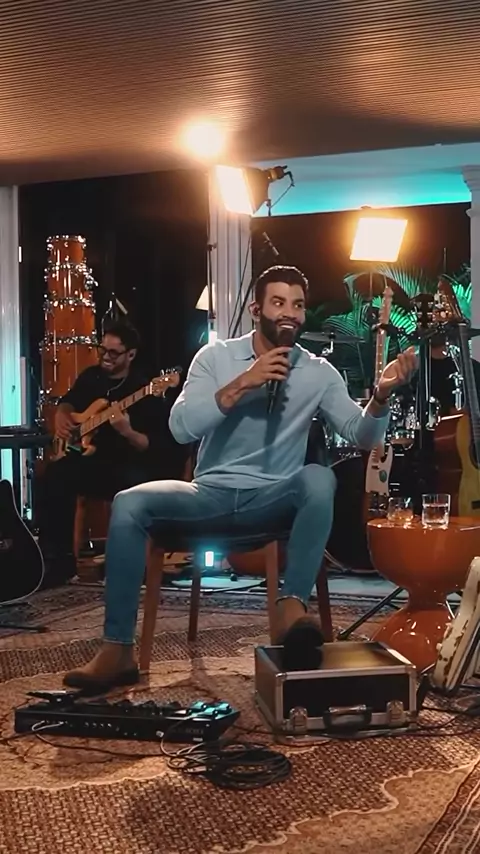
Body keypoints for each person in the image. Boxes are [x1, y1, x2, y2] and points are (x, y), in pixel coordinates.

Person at [63, 266, 417, 692]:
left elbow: (363, 437)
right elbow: (180, 428)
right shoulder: (215, 358)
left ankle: (291, 608)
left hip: (272, 500)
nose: (289, 313)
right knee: (129, 502)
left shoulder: (318, 372)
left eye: (297, 304)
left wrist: (381, 396)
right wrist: (242, 384)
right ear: (256, 310)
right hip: (208, 495)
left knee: (318, 478)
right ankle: (117, 650)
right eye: (278, 302)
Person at [37, 319, 184, 587]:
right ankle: (57, 562)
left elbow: (154, 447)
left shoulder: (145, 390)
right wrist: (62, 415)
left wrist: (127, 431)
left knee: (133, 484)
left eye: (113, 353)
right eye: (102, 349)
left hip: (129, 463)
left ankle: (127, 563)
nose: (105, 357)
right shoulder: (91, 376)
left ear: (131, 354)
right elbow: (69, 401)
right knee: (53, 476)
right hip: (92, 459)